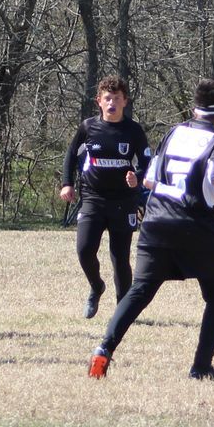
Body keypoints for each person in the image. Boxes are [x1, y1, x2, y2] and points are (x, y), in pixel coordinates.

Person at [89, 77, 214, 381]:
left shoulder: (175, 131)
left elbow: (149, 179)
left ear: (196, 108)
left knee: (139, 291)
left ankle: (104, 349)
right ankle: (201, 367)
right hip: (193, 222)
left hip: (156, 220)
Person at [59, 75, 149, 318]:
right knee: (84, 250)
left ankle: (123, 310)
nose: (112, 103)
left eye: (117, 99)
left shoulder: (133, 130)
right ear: (99, 101)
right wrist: (67, 184)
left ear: (124, 101)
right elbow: (70, 156)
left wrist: (137, 178)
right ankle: (97, 286)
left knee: (121, 258)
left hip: (123, 201)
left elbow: (147, 162)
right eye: (107, 98)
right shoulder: (88, 127)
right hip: (93, 199)